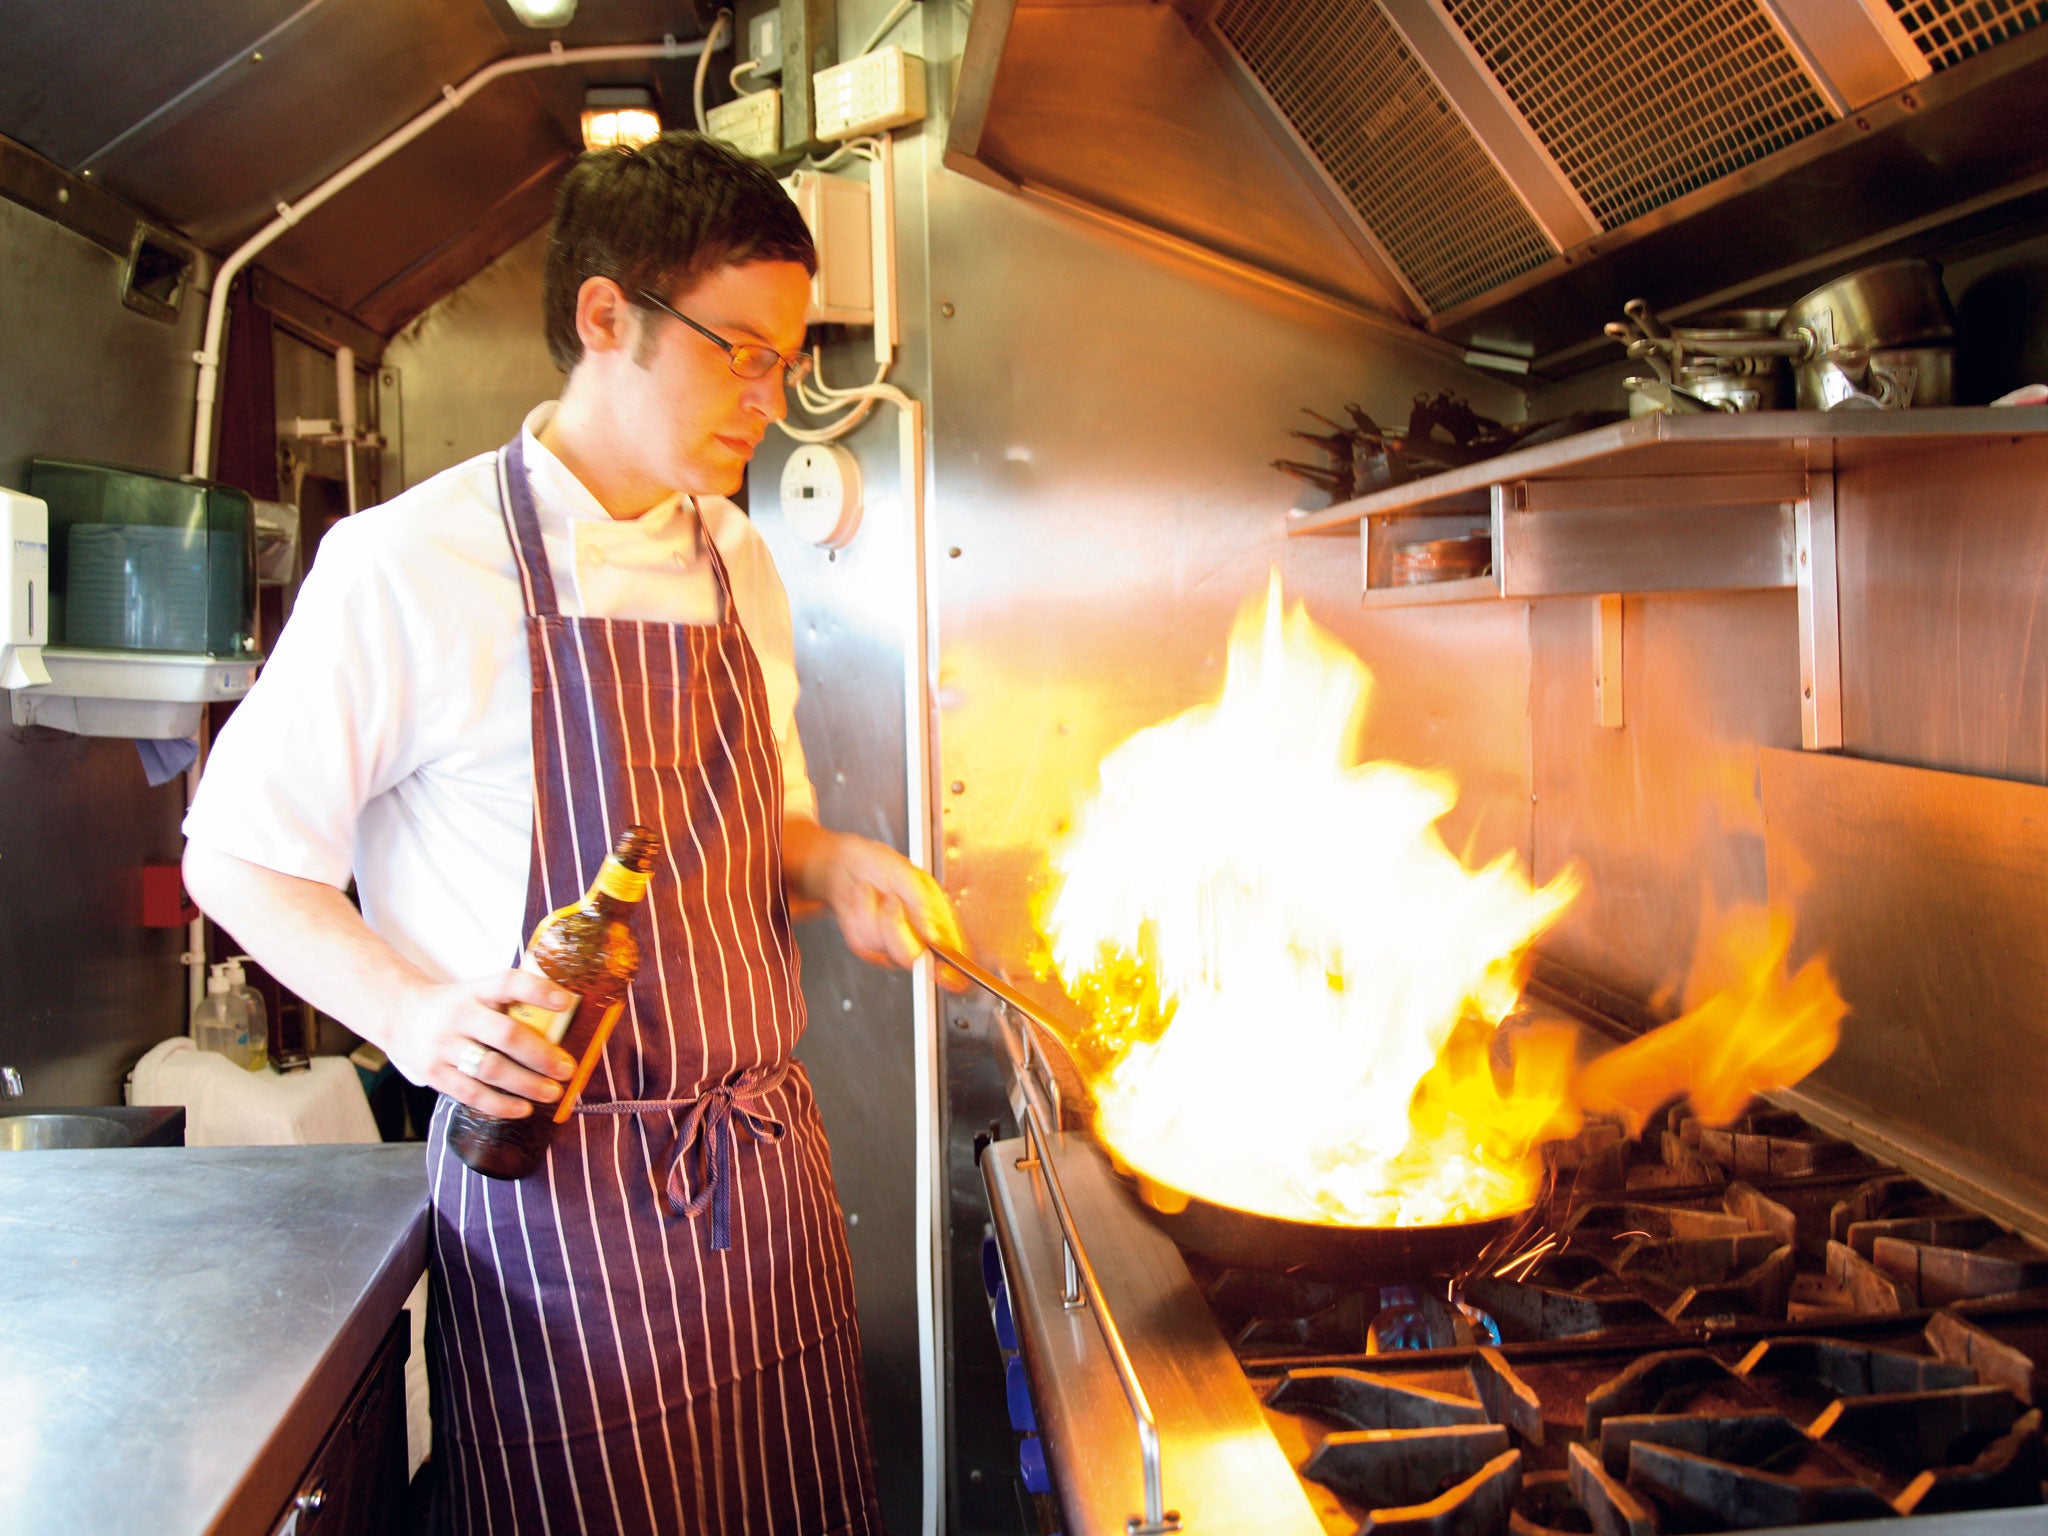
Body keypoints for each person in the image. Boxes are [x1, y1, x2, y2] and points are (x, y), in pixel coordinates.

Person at [181, 131, 963, 1535]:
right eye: (742, 351)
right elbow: (233, 852)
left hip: (763, 1185)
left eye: (786, 360)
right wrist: (416, 1019)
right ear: (607, 317)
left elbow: (759, 826)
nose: (770, 399)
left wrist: (832, 861)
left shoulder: (738, 560)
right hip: (555, 1215)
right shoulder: (407, 565)